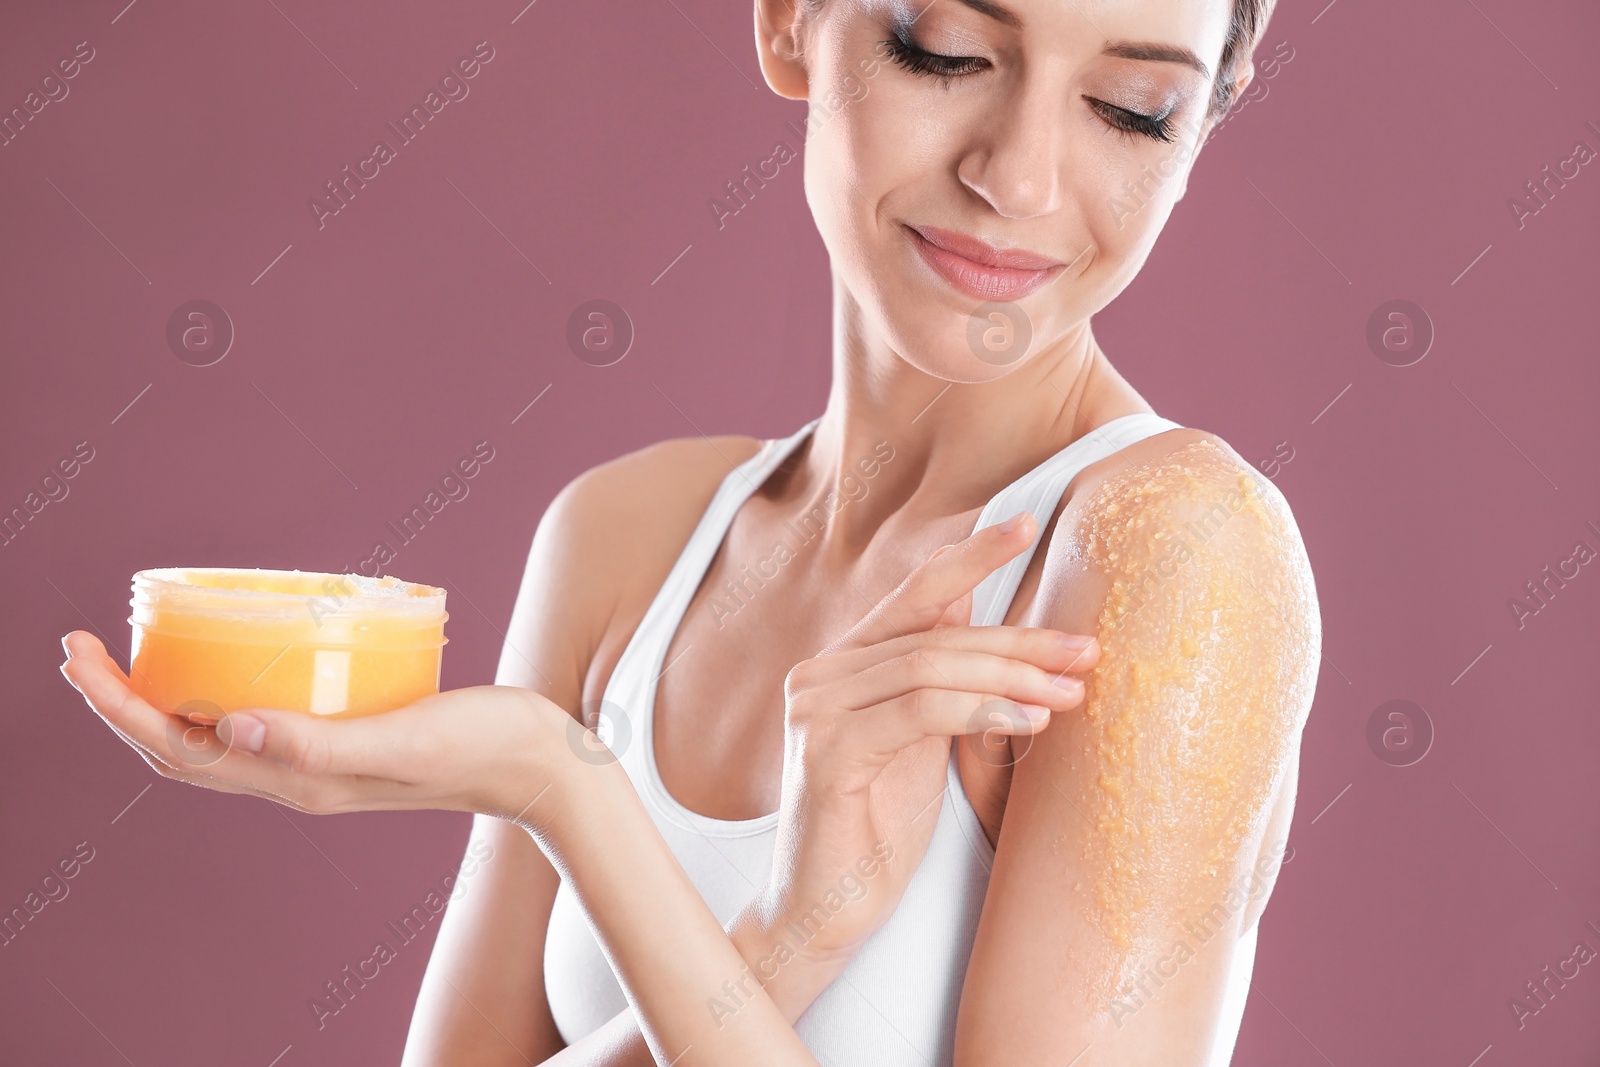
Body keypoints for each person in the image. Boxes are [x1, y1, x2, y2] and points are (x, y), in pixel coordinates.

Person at [59, 0, 1321, 1062]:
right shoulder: (629, 535)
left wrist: (574, 798)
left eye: (1132, 108)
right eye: (945, 48)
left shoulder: (1172, 554)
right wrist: (775, 931)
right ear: (788, 20)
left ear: (1208, 113)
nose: (1020, 176)